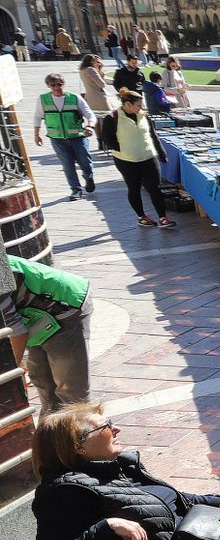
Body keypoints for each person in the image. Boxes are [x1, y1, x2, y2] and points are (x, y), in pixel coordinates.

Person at [31, 404, 220, 540]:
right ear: (78, 446)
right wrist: (106, 526)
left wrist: (217, 501)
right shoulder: (64, 493)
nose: (116, 429)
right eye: (106, 426)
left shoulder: (116, 466)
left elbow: (169, 498)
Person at [2, 253, 91, 413]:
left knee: (71, 394)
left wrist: (11, 374)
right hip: (35, 317)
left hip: (65, 305)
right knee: (44, 384)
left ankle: (85, 434)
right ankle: (53, 435)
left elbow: (17, 332)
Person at [104, 89, 173, 229]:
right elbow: (107, 138)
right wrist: (123, 149)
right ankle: (141, 217)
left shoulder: (143, 115)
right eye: (138, 105)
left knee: (155, 188)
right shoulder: (112, 117)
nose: (140, 108)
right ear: (128, 104)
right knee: (134, 188)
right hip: (126, 160)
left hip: (148, 157)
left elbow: (153, 135)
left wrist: (161, 152)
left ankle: (163, 217)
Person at [34, 72, 97, 200]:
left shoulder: (74, 98)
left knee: (85, 161)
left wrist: (90, 126)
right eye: (53, 85)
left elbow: (90, 115)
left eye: (60, 84)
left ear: (64, 84)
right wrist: (37, 134)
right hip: (57, 139)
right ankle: (76, 190)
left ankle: (89, 177)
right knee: (67, 165)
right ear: (48, 86)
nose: (57, 87)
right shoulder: (43, 99)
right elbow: (37, 117)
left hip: (78, 137)